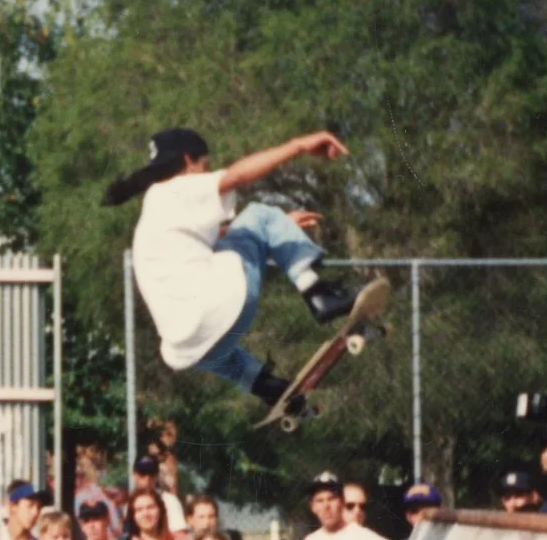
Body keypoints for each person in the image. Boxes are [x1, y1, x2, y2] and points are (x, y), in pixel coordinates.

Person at [104, 127, 358, 415]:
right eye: (206, 165)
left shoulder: (156, 210)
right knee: (259, 213)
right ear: (188, 161)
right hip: (223, 304)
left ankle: (267, 387)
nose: (207, 172)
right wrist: (298, 145)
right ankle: (318, 294)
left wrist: (277, 225)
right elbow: (237, 176)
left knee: (216, 352)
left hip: (186, 346)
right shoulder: (177, 186)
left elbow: (221, 235)